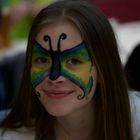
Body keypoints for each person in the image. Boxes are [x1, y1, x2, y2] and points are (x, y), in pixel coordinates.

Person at [0, 0, 140, 140]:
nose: (54, 77)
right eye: (42, 60)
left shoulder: (135, 121)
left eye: (74, 61)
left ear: (103, 69)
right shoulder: (10, 135)